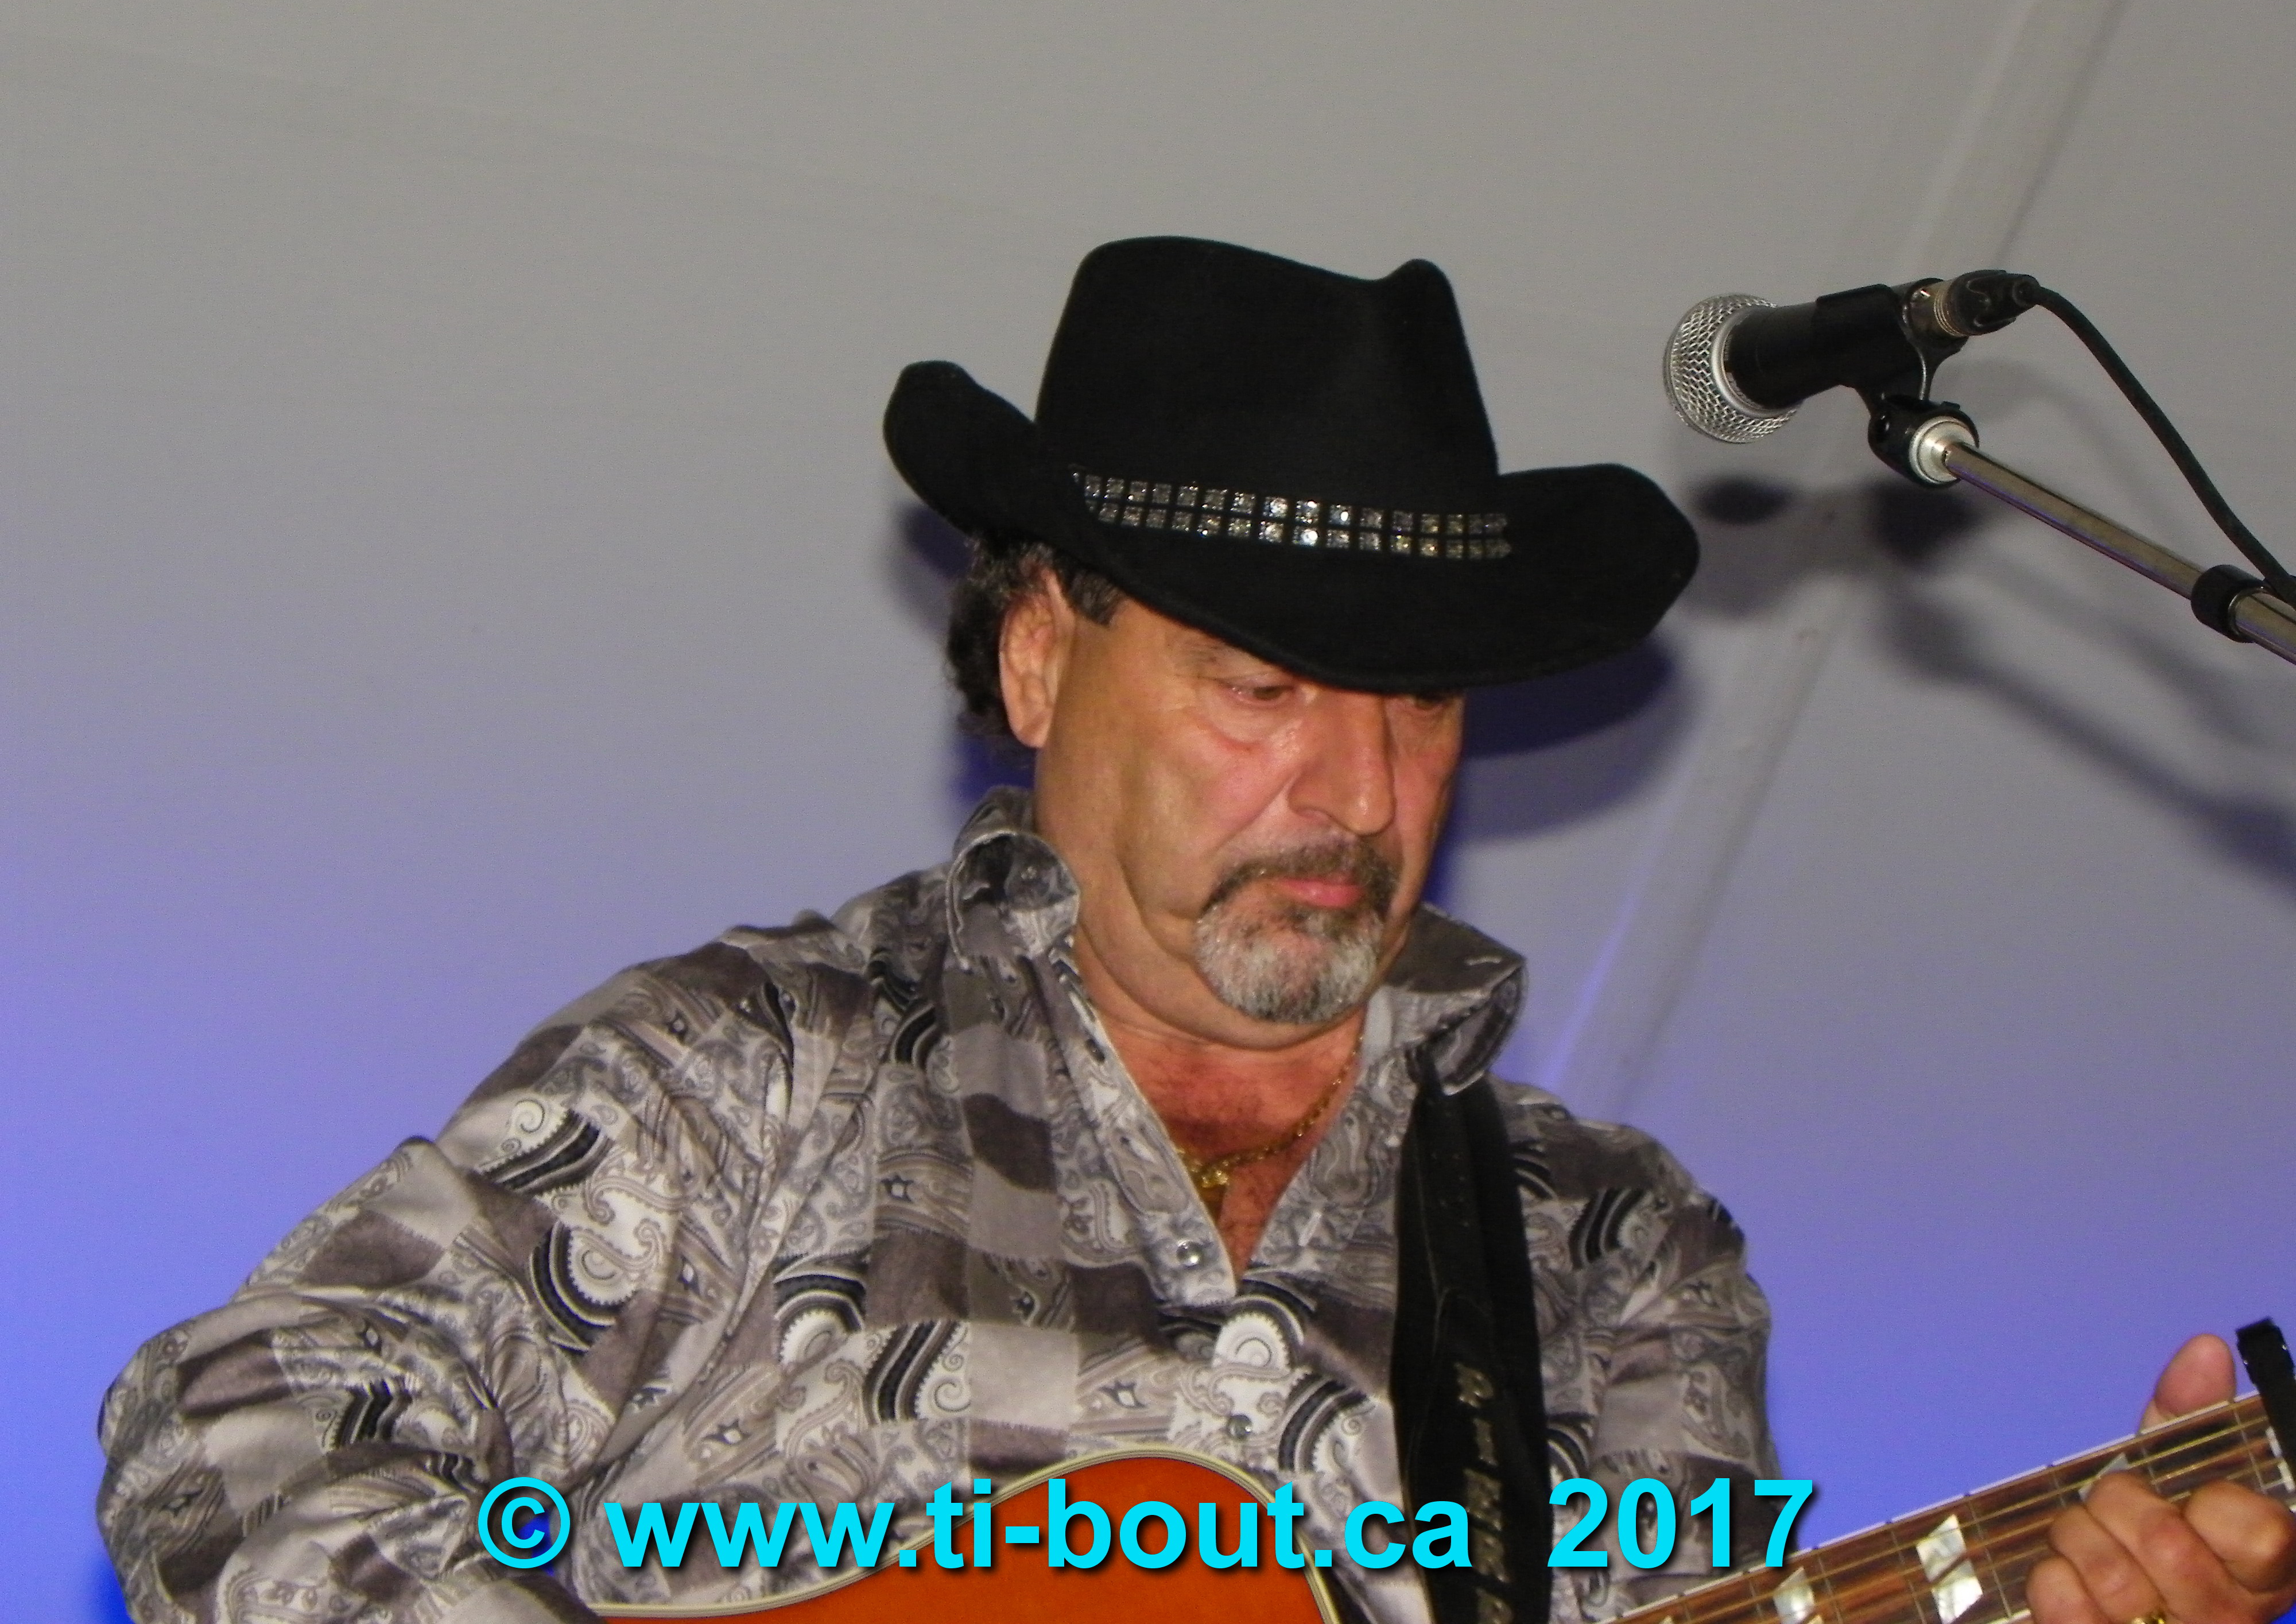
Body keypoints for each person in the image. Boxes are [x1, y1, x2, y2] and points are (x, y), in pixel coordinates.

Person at [95, 238, 2295, 1624]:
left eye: (1418, 704)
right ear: (1043, 657)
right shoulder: (761, 1069)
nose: (1358, 793)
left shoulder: (1610, 1250)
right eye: (1265, 689)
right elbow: (238, 1417)